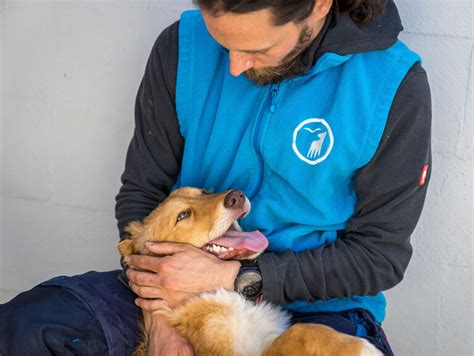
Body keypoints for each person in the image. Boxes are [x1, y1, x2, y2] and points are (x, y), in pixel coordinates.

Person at [0, 0, 431, 355]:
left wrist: (238, 278)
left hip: (318, 306)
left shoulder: (393, 84)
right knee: (26, 327)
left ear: (318, 7)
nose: (235, 68)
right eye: (222, 43)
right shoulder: (181, 45)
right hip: (174, 290)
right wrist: (160, 316)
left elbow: (380, 256)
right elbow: (142, 194)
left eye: (258, 49)